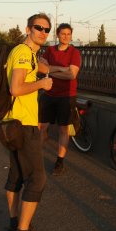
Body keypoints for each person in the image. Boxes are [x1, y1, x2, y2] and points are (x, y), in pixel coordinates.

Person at [4, 13, 53, 231]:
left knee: (16, 175)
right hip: (23, 125)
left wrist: (42, 66)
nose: (44, 32)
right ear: (28, 28)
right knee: (37, 179)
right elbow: (17, 88)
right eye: (39, 28)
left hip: (13, 123)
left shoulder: (25, 53)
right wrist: (42, 84)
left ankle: (14, 225)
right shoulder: (24, 53)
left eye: (47, 29)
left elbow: (39, 67)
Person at [38, 23, 81, 176]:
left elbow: (72, 75)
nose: (66, 37)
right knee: (41, 127)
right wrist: (62, 69)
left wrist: (50, 70)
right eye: (63, 34)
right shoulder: (50, 50)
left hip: (66, 96)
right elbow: (40, 67)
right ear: (57, 35)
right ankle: (36, 158)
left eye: (68, 34)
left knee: (64, 129)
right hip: (49, 94)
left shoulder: (74, 53)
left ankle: (59, 161)